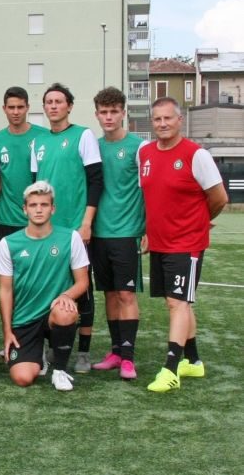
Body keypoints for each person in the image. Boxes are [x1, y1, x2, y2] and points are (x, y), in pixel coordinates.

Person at [140, 97, 228, 393]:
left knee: (178, 303)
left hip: (187, 243)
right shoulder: (146, 153)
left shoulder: (196, 154)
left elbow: (219, 198)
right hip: (161, 242)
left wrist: (201, 221)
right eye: (157, 119)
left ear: (180, 120)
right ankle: (193, 361)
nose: (162, 124)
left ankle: (170, 369)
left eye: (168, 118)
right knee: (175, 301)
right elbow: (153, 198)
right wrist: (149, 232)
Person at [30, 83, 103, 372]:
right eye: (49, 102)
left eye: (59, 101)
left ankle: (83, 353)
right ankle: (50, 346)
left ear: (69, 106)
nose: (53, 106)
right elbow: (36, 187)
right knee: (50, 286)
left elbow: (96, 181)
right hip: (47, 230)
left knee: (82, 290)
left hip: (75, 229)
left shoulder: (83, 136)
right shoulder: (39, 142)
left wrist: (86, 223)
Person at [0, 181, 90, 391]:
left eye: (44, 205)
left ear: (52, 208)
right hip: (24, 317)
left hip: (52, 313)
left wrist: (67, 294)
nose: (39, 209)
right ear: (25, 209)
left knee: (65, 312)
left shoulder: (70, 237)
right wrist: (7, 331)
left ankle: (60, 370)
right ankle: (38, 354)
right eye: (33, 205)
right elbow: (5, 290)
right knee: (22, 378)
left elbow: (83, 281)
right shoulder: (9, 243)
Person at [88, 87, 147, 380]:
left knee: (126, 293)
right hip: (98, 233)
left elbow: (149, 189)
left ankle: (128, 357)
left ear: (124, 113)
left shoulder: (139, 148)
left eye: (114, 111)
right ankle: (114, 351)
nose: (109, 117)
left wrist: (147, 229)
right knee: (109, 294)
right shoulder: (93, 147)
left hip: (126, 233)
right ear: (97, 114)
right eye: (103, 112)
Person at [0, 86, 47, 244]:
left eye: (20, 107)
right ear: (4, 109)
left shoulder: (43, 136)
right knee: (6, 268)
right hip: (7, 219)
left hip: (37, 217)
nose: (16, 112)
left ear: (27, 108)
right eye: (11, 107)